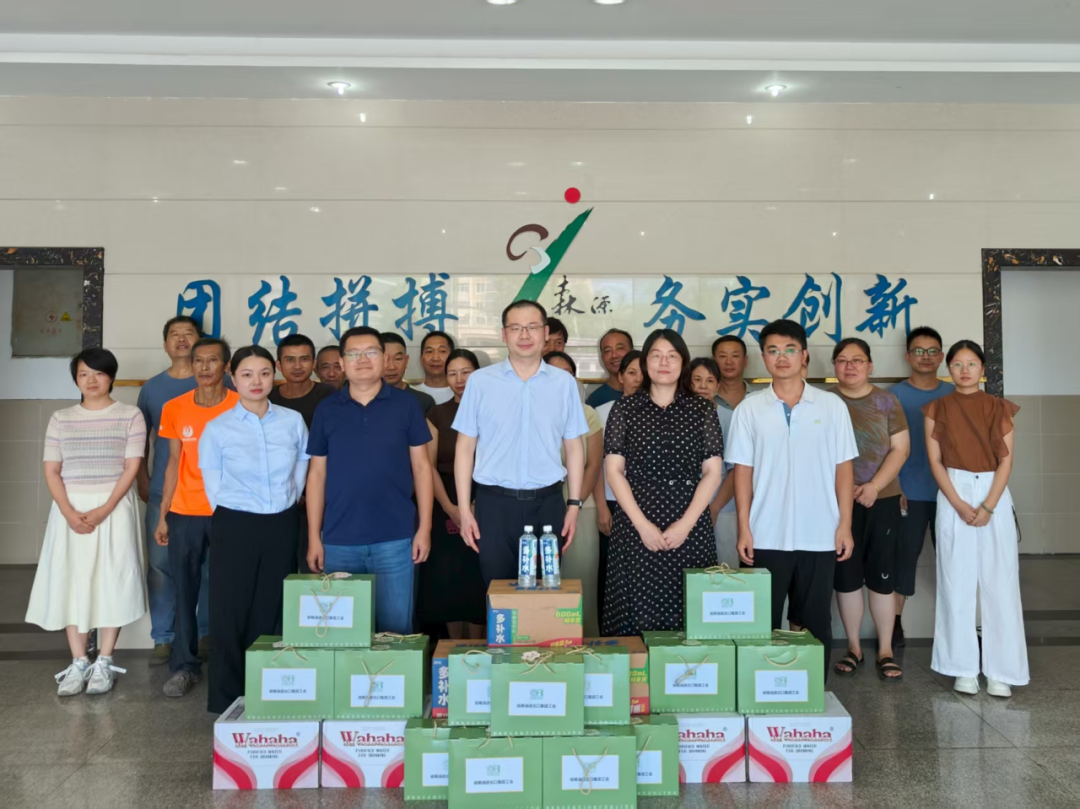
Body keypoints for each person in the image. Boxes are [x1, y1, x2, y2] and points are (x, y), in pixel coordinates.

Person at [726, 320, 857, 681]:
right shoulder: (750, 408)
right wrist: (744, 528)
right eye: (772, 350)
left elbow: (844, 470)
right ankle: (760, 693)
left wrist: (844, 524)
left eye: (789, 350)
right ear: (763, 357)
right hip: (765, 533)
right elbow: (742, 473)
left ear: (804, 356)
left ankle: (812, 692)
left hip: (820, 533)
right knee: (761, 622)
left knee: (815, 621)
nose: (781, 357)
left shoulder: (831, 406)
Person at [27, 348, 147, 696]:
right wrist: (67, 512)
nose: (91, 380)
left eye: (98, 373)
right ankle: (79, 662)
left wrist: (106, 507)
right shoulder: (61, 418)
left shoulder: (130, 415)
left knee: (112, 579)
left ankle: (104, 662)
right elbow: (52, 469)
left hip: (114, 506)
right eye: (83, 374)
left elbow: (132, 466)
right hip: (70, 506)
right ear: (76, 379)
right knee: (72, 579)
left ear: (111, 377)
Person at [199, 345, 310, 714]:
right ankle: (227, 698)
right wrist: (243, 511)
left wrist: (283, 504)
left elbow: (300, 472)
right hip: (235, 522)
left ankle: (266, 693)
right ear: (233, 377)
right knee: (229, 609)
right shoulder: (218, 428)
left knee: (271, 607)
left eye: (264, 373)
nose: (256, 381)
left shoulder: (292, 421)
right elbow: (213, 487)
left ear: (274, 373)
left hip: (281, 522)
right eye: (247, 374)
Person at [306, 327, 434, 634]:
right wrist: (314, 537)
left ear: (384, 358)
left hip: (395, 538)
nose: (362, 359)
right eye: (354, 353)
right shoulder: (326, 410)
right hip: (338, 540)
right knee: (342, 634)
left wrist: (425, 528)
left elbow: (421, 468)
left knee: (395, 632)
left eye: (371, 352)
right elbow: (317, 474)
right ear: (342, 361)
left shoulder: (407, 405)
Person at [453, 300, 588, 584]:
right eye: (516, 328)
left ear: (545, 333)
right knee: (497, 590)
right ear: (504, 334)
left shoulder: (564, 383)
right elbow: (464, 448)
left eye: (532, 327)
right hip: (494, 505)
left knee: (546, 591)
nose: (524, 335)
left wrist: (574, 505)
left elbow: (574, 447)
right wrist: (464, 510)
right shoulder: (480, 382)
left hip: (549, 504)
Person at [602, 329, 723, 634]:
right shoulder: (625, 409)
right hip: (636, 523)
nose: (664, 362)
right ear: (645, 362)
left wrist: (685, 525)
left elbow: (713, 472)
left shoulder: (702, 410)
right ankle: (637, 668)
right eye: (656, 356)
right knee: (635, 611)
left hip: (689, 524)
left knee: (691, 612)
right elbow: (614, 471)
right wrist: (643, 526)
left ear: (683, 362)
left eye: (672, 356)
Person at [926, 340, 1027, 698]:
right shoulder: (936, 408)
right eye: (957, 364)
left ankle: (1002, 671)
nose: (964, 370)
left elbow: (1006, 461)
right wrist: (957, 503)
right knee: (956, 581)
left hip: (992, 492)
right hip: (952, 490)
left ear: (983, 369)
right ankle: (962, 668)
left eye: (971, 364)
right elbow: (935, 461)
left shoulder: (1000, 408)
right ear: (948, 369)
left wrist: (988, 506)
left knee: (1001, 582)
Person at [155, 337, 240, 698]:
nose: (205, 367)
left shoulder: (242, 405)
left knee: (228, 592)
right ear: (191, 366)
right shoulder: (175, 408)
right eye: (199, 361)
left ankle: (228, 666)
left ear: (227, 367)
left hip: (230, 512)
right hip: (185, 512)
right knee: (184, 590)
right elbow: (174, 463)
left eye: (213, 360)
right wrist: (164, 514)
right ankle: (184, 667)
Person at [830, 338, 910, 682]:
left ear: (870, 365)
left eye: (857, 360)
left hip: (883, 499)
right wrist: (847, 490)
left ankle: (885, 650)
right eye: (843, 360)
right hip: (837, 502)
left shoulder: (886, 401)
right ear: (834, 366)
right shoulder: (825, 402)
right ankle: (853, 648)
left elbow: (900, 449)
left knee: (882, 577)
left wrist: (874, 486)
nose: (850, 366)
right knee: (846, 578)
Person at [136, 315, 211, 666]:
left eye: (189, 334)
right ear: (165, 344)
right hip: (163, 493)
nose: (181, 339)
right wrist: (142, 478)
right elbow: (141, 440)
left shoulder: (219, 382)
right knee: (161, 565)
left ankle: (206, 633)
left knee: (209, 567)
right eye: (174, 334)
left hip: (210, 495)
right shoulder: (152, 388)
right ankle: (163, 637)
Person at [891, 326, 953, 646]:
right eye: (919, 351)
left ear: (941, 357)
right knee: (903, 561)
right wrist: (894, 485)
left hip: (951, 495)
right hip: (908, 493)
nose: (925, 357)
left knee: (955, 563)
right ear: (908, 356)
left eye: (932, 351)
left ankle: (958, 627)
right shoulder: (893, 396)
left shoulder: (955, 394)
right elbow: (883, 448)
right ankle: (894, 626)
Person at [420, 348, 487, 639]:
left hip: (485, 498)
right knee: (449, 576)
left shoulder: (492, 409)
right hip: (444, 499)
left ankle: (479, 646)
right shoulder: (436, 413)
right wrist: (450, 507)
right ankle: (455, 647)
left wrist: (474, 505)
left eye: (466, 372)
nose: (459, 380)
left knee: (477, 573)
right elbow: (428, 466)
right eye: (452, 373)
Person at [545, 350, 605, 636]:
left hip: (581, 507)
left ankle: (585, 642)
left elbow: (593, 464)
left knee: (581, 580)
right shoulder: (529, 410)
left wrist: (576, 503)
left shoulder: (586, 413)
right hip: (540, 507)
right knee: (544, 581)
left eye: (567, 374)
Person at [593, 350, 643, 630]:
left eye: (642, 373)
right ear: (620, 376)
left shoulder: (659, 412)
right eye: (631, 372)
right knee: (611, 571)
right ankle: (609, 634)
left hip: (648, 504)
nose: (638, 379)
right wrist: (602, 507)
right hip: (612, 503)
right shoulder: (603, 412)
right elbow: (596, 465)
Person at [708, 336, 752, 568]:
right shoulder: (706, 402)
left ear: (746, 361)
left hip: (758, 503)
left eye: (735, 356)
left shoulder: (759, 400)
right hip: (723, 507)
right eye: (722, 356)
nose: (729, 362)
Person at [269, 334, 336, 427]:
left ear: (314, 363)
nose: (297, 366)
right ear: (279, 365)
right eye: (290, 360)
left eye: (304, 359)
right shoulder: (268, 398)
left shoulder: (329, 395)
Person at [382, 332, 437, 415]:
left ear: (406, 361)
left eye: (398, 359)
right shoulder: (363, 399)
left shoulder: (423, 401)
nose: (391, 367)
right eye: (384, 360)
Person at [586, 329, 634, 408]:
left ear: (632, 352)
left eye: (620, 348)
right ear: (602, 358)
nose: (614, 355)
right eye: (607, 351)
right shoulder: (595, 401)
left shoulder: (649, 393)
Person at [414, 331, 456, 405]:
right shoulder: (411, 394)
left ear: (452, 358)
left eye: (442, 351)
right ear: (421, 359)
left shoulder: (461, 394)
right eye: (429, 351)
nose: (435, 358)